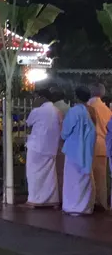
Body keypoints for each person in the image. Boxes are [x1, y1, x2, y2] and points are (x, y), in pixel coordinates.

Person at [61, 86, 97, 215]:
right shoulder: (91, 111)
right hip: (87, 150)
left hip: (73, 150)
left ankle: (73, 207)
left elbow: (65, 132)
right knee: (84, 177)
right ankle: (85, 207)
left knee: (72, 179)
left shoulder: (74, 111)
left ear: (76, 97)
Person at [24, 89, 62, 208]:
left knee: (33, 173)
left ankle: (34, 200)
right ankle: (52, 200)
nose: (34, 100)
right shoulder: (57, 111)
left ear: (42, 98)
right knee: (50, 174)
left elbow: (28, 123)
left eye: (36, 97)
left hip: (37, 147)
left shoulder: (38, 111)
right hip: (51, 147)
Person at [87, 83, 111, 212]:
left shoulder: (89, 107)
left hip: (91, 144)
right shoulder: (106, 109)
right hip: (104, 145)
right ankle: (102, 203)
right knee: (102, 178)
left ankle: (91, 202)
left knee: (90, 176)